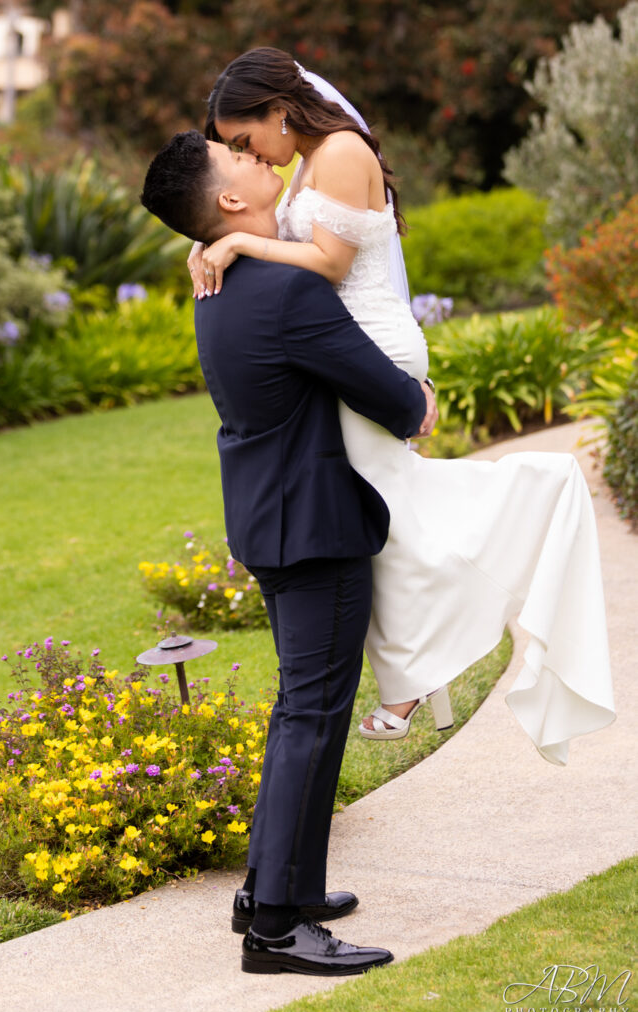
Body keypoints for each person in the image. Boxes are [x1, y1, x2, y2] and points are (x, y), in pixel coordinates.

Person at [189, 47, 615, 765]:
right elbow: (284, 243)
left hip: (376, 345)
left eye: (245, 138)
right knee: (382, 506)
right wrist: (216, 242)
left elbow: (329, 262)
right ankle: (413, 672)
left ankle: (415, 672)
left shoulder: (343, 151)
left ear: (278, 111)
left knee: (383, 508)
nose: (246, 153)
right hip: (350, 342)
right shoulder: (307, 161)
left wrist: (237, 242)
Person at [141, 129, 435, 974]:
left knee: (299, 710)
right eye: (236, 158)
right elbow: (391, 400)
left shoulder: (224, 277)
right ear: (229, 202)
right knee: (310, 715)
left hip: (272, 519)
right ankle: (274, 929)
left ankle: (280, 887)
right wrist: (417, 398)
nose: (256, 156)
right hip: (314, 528)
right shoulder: (278, 286)